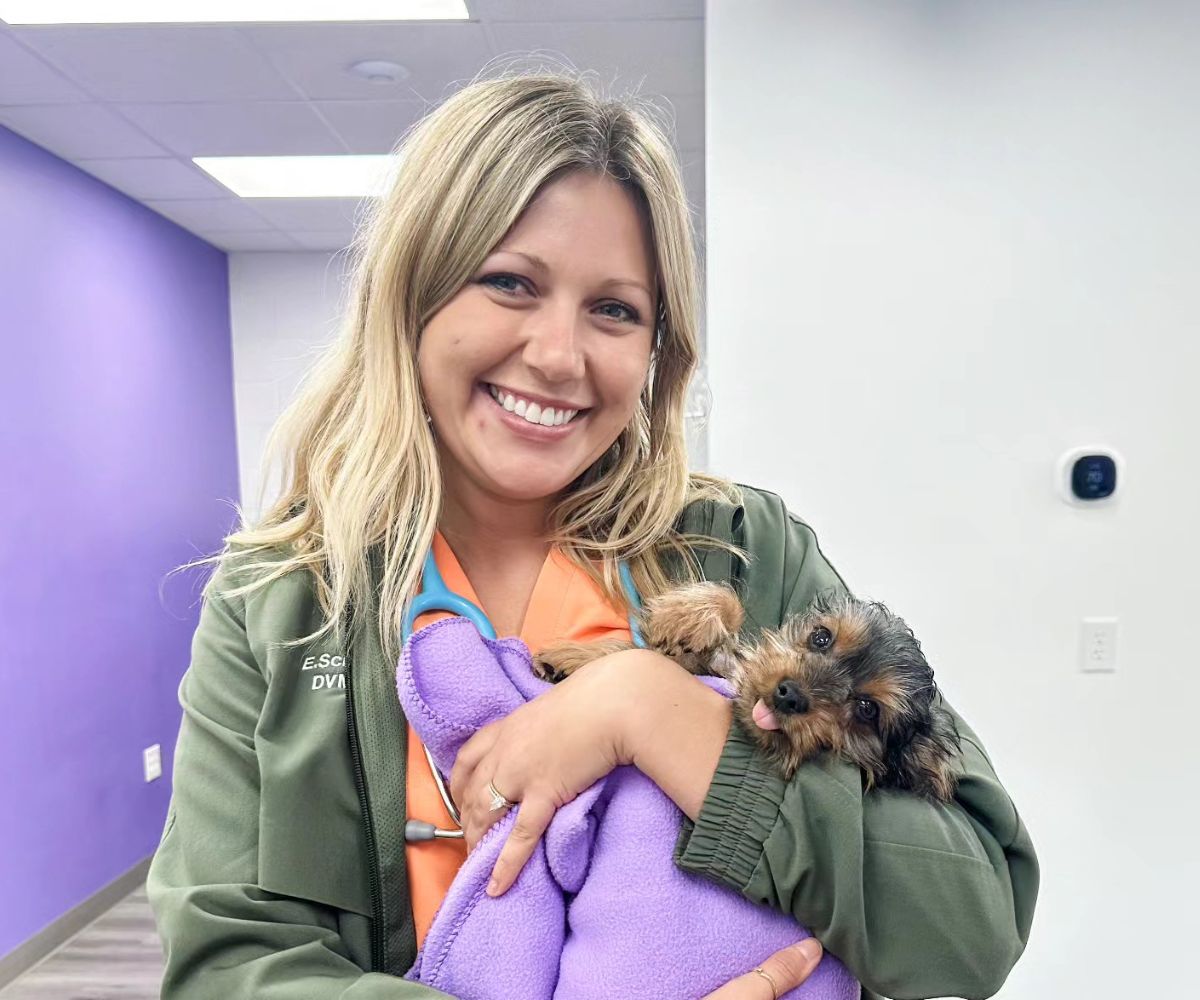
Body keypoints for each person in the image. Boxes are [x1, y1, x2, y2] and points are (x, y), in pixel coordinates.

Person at [148, 72, 1038, 1000]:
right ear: (410, 297)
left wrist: (649, 713)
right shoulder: (282, 596)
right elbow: (228, 970)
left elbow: (967, 930)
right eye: (509, 283)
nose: (559, 356)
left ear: (658, 350)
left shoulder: (741, 549)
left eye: (615, 309)